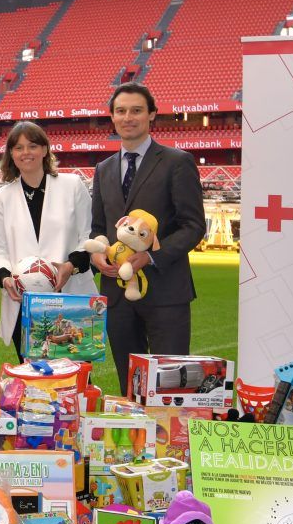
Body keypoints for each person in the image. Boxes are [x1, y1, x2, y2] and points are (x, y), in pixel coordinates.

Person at [86, 83, 206, 369]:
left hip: (166, 293)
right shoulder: (103, 169)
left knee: (169, 380)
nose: (128, 117)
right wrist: (98, 254)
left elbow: (193, 226)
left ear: (152, 115)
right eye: (121, 111)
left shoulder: (177, 162)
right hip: (116, 294)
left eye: (136, 110)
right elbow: (98, 226)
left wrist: (151, 256)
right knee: (129, 383)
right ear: (112, 117)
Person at [0, 121, 95, 355]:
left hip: (70, 298)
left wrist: (71, 266)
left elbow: (89, 236)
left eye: (32, 146)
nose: (25, 153)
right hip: (23, 302)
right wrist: (5, 278)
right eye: (18, 147)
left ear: (45, 150)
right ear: (11, 155)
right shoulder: (0, 198)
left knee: (74, 380)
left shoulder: (72, 185)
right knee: (32, 378)